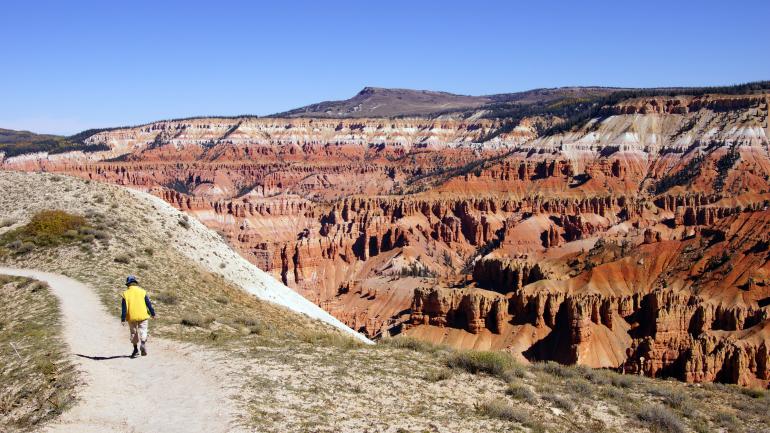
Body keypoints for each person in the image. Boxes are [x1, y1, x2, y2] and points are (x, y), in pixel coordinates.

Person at [120, 275, 156, 358]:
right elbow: (148, 304)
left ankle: (135, 350)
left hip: (131, 316)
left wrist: (123, 318)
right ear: (135, 283)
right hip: (143, 315)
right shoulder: (142, 291)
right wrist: (153, 313)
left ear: (128, 284)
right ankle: (143, 343)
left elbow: (124, 307)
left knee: (134, 333)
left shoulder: (125, 294)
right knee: (143, 330)